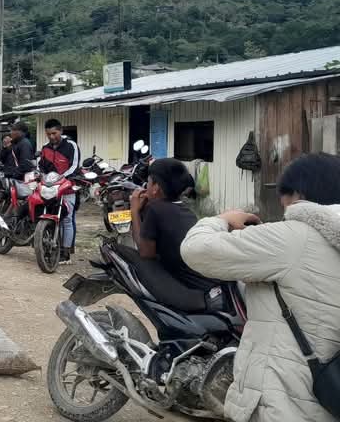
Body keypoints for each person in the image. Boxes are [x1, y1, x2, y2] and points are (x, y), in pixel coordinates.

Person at [181, 153, 340, 422]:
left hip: (283, 401)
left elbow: (195, 250)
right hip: (328, 398)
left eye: (283, 195)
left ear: (299, 194)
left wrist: (221, 219)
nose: (281, 203)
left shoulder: (292, 238)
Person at [128, 158, 213, 290]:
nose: (146, 186)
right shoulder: (187, 210)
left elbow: (145, 253)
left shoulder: (154, 209)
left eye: (148, 182)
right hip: (205, 279)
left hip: (185, 284)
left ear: (155, 188)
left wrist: (134, 211)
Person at [38, 118, 81, 262]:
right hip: (49, 188)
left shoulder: (71, 145)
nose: (51, 137)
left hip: (67, 187)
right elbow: (41, 166)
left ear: (60, 131)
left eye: (54, 133)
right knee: (50, 215)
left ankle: (66, 252)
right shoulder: (45, 148)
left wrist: (62, 177)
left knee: (67, 219)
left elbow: (74, 166)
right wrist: (41, 175)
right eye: (48, 134)